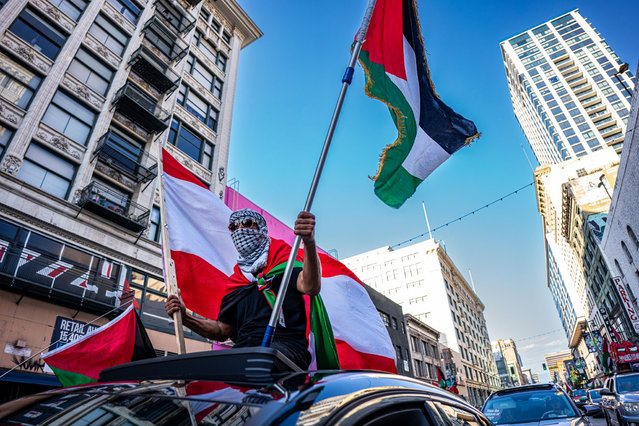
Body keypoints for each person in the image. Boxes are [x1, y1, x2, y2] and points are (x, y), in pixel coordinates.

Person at [165, 209, 321, 369]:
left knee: (259, 361)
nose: (239, 230)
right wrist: (185, 318)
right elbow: (221, 330)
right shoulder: (236, 282)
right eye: (233, 227)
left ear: (261, 229)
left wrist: (309, 242)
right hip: (244, 351)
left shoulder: (283, 262)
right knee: (205, 370)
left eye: (246, 223)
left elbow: (310, 286)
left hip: (285, 348)